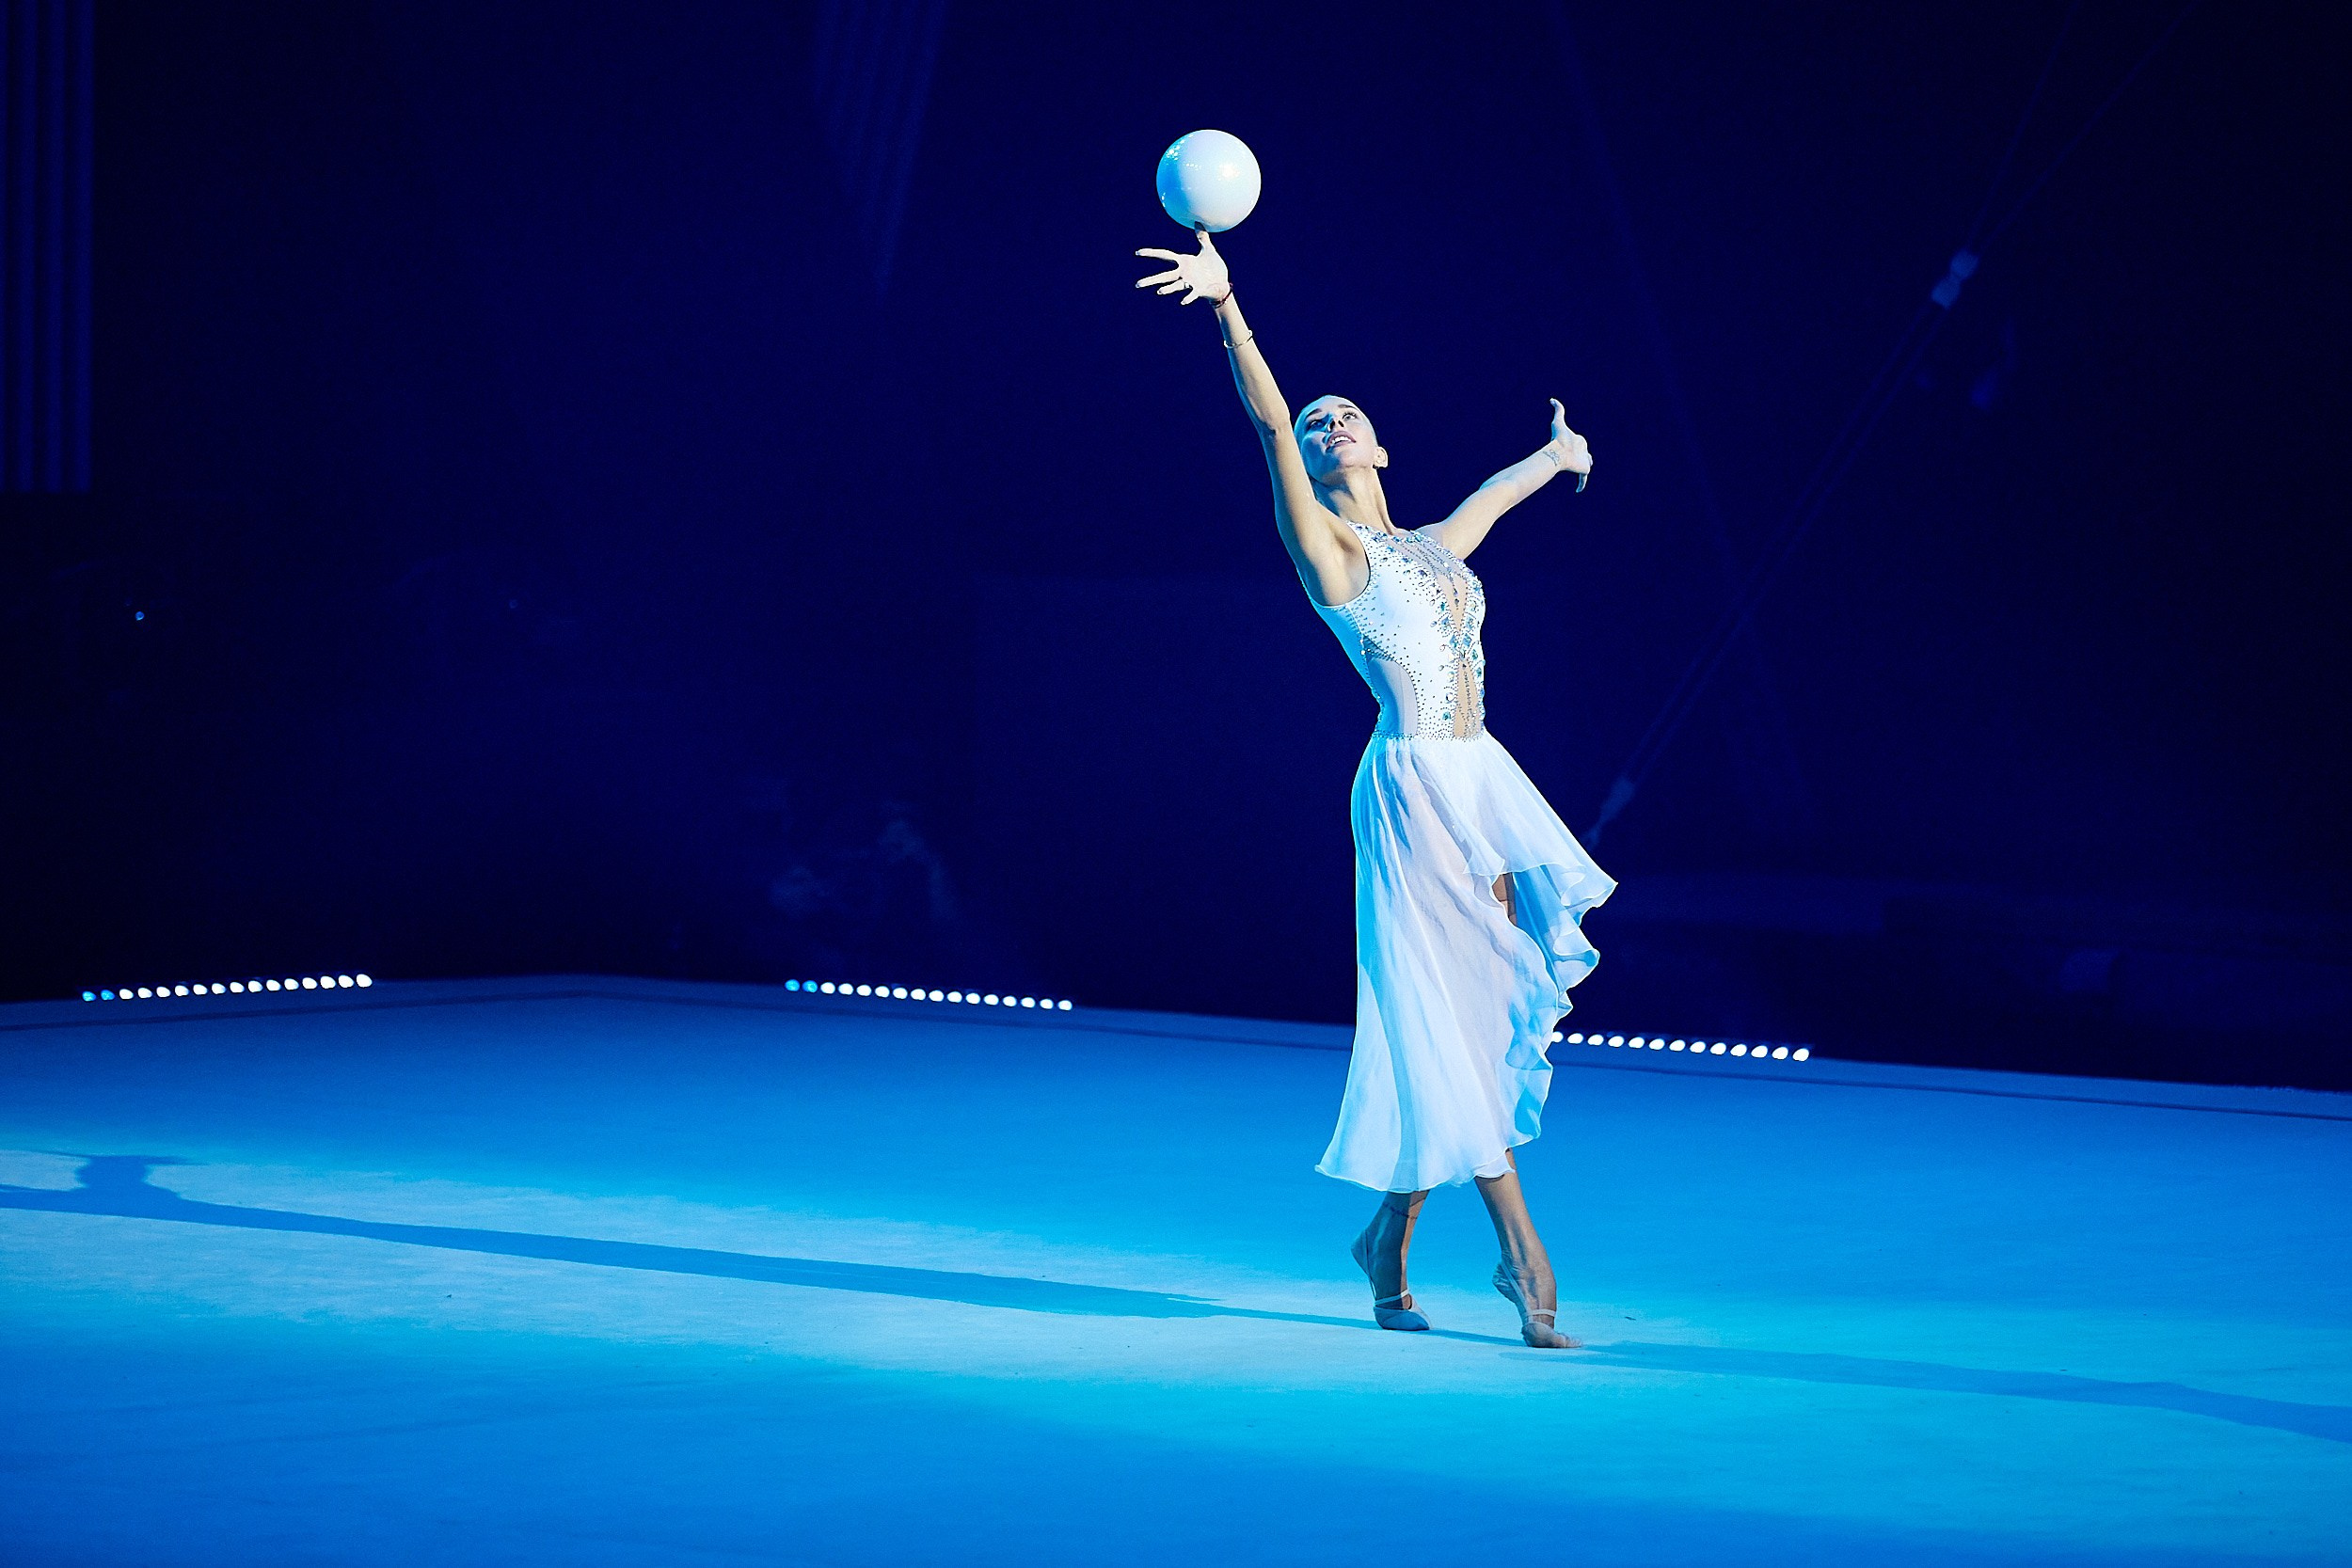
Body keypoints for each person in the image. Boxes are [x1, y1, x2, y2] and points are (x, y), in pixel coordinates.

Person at [1135, 229, 1613, 1349]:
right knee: (1443, 1017)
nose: (1327, 421)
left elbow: (1495, 495)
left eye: (1343, 413)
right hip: (1407, 792)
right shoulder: (1329, 550)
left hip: (1484, 780)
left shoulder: (1437, 546)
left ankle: (1383, 1244)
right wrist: (1228, 307)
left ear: (1382, 443)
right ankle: (1521, 1256)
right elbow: (1263, 419)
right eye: (1317, 420)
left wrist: (1556, 456)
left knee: (1480, 1009)